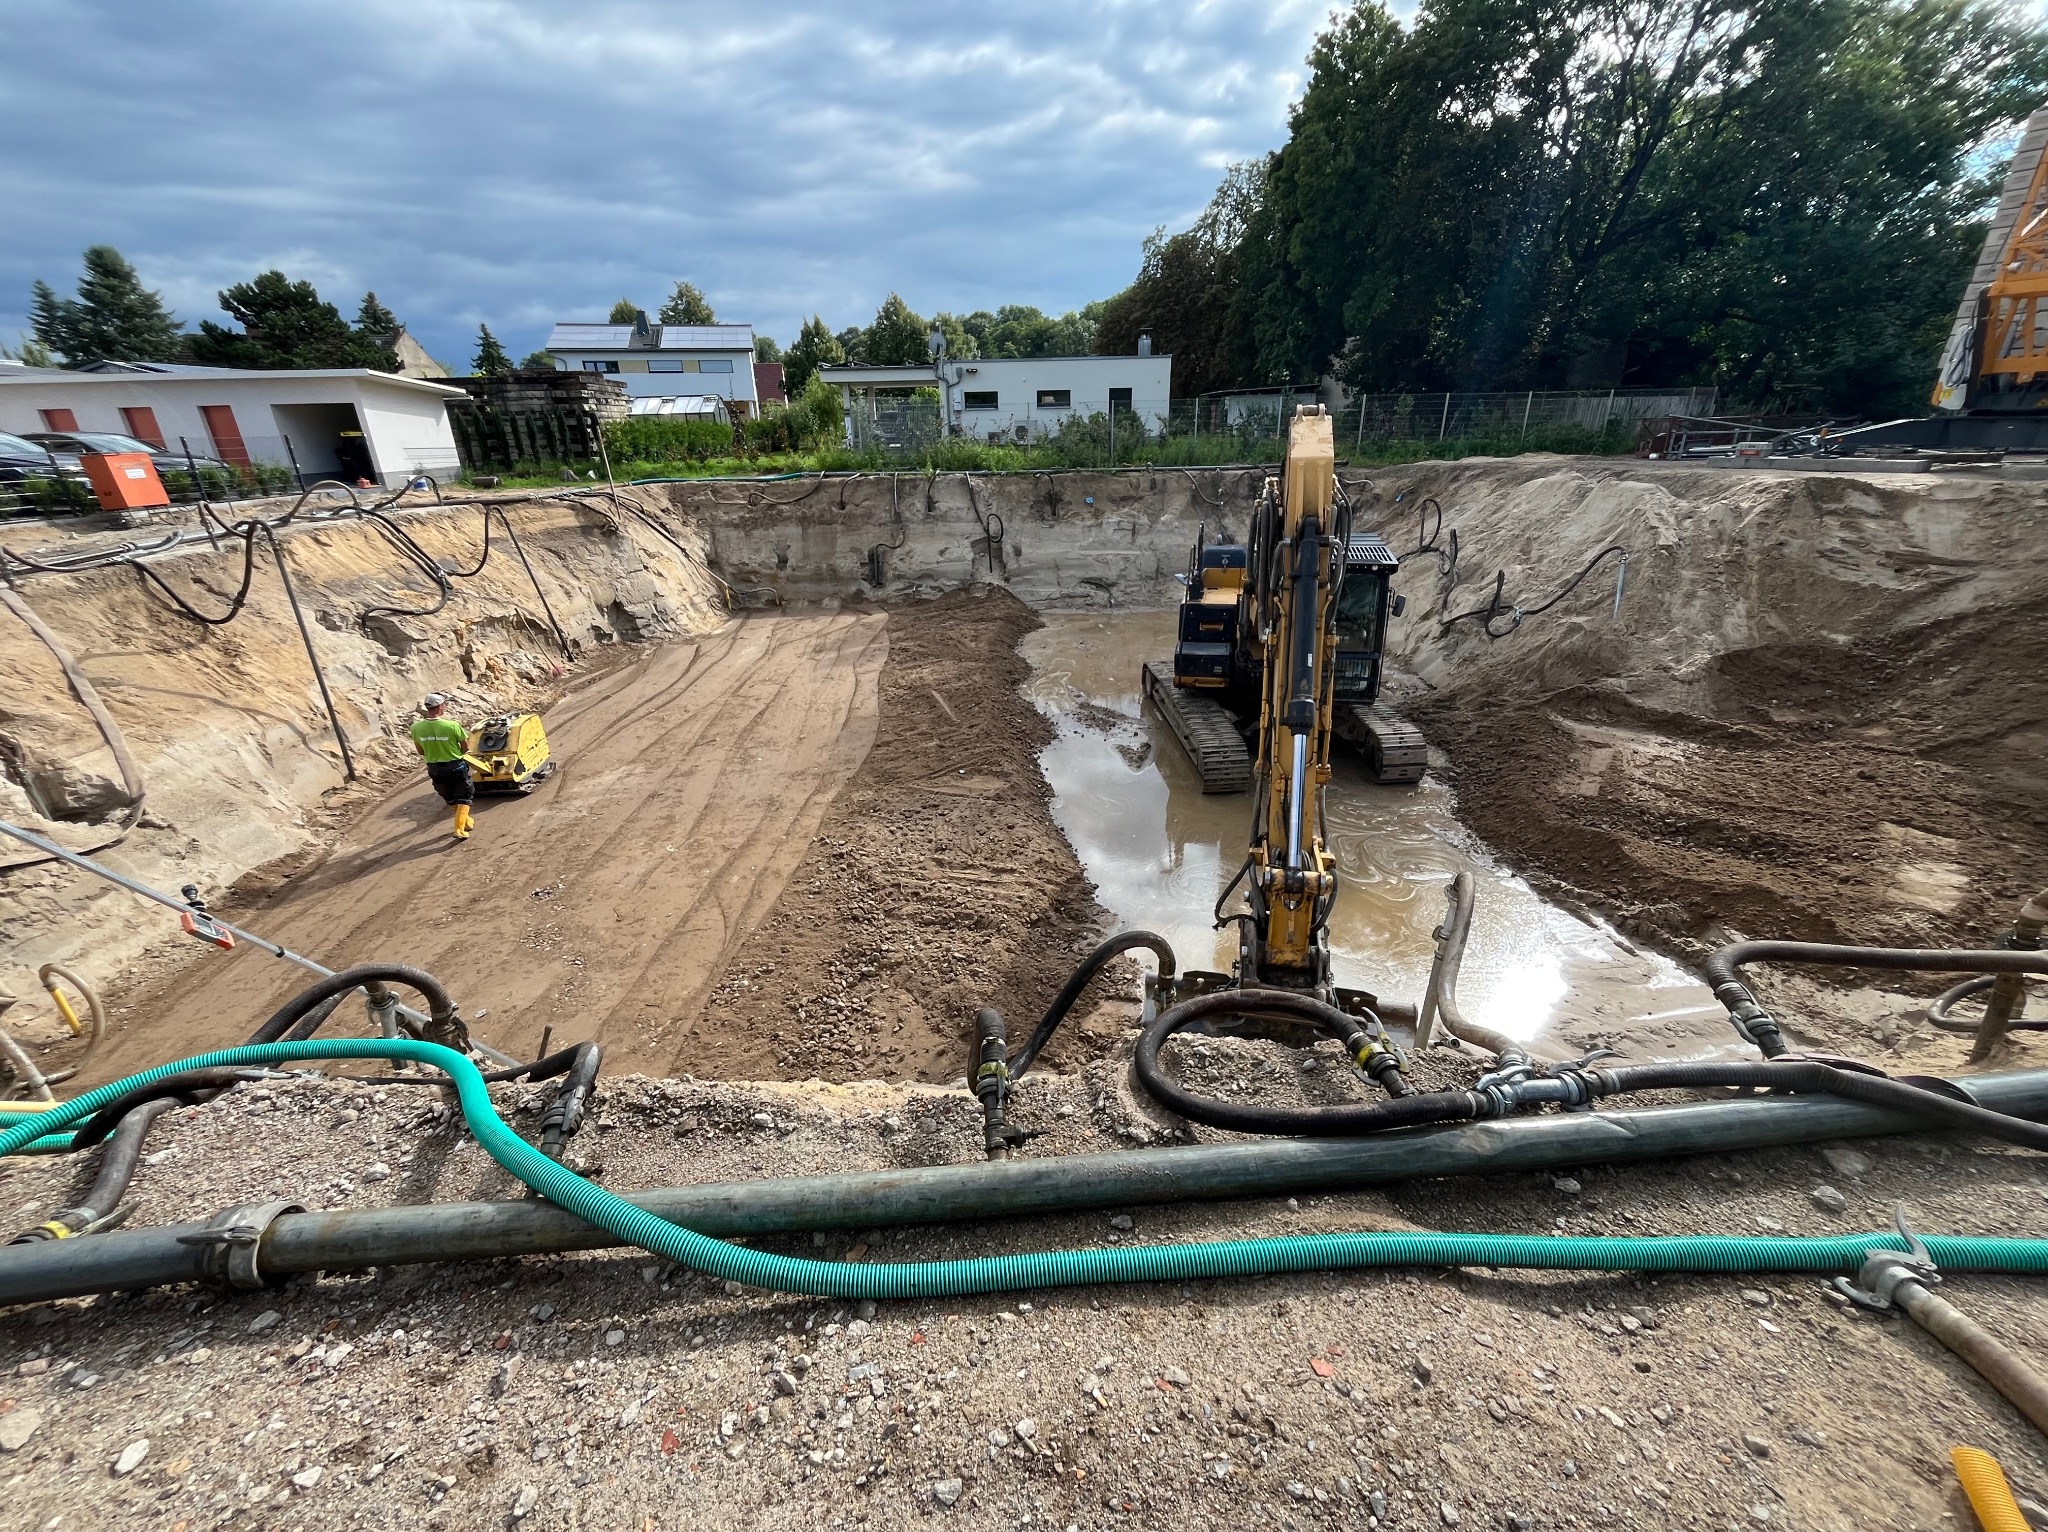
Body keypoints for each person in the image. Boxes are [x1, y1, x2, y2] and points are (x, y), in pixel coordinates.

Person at [410, 693, 475, 840]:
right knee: (464, 797)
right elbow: (465, 747)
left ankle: (466, 821)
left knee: (450, 796)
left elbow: (420, 751)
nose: (445, 707)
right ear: (440, 707)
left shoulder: (416, 728)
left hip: (435, 768)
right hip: (455, 766)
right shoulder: (452, 726)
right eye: (444, 704)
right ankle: (459, 830)